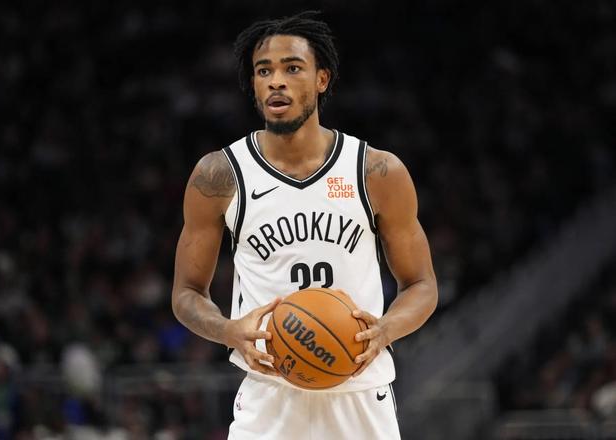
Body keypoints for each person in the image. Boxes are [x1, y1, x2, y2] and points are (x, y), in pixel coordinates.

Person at [171, 11, 438, 439]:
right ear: (253, 85)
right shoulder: (218, 176)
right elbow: (186, 294)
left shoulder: (376, 171)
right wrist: (228, 331)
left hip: (359, 393)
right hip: (269, 394)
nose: (276, 81)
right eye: (264, 71)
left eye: (292, 68)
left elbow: (422, 284)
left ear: (322, 79)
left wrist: (386, 329)